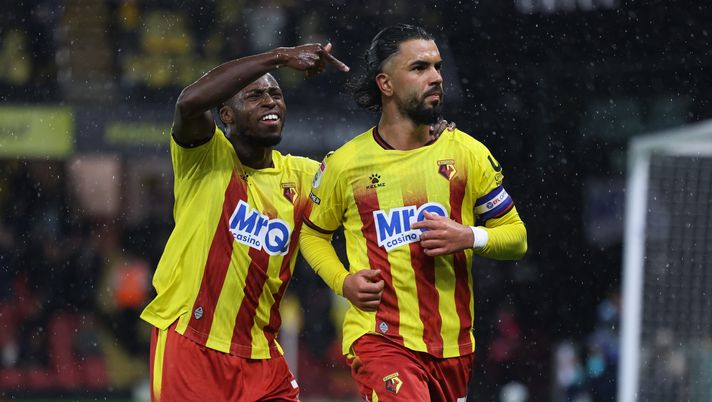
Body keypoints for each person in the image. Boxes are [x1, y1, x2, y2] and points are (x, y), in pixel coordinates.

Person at [300, 24, 528, 401]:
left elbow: (516, 237)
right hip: (381, 338)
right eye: (419, 68)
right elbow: (312, 233)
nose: (436, 77)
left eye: (437, 67)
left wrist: (469, 236)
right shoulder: (345, 164)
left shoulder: (466, 153)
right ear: (385, 84)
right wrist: (343, 282)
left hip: (453, 347)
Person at [139, 43, 350, 401]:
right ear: (227, 115)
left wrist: (424, 137)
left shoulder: (303, 177)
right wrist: (280, 57)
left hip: (262, 355)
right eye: (254, 95)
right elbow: (189, 103)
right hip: (192, 344)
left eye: (275, 94)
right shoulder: (205, 156)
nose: (270, 101)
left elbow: (370, 180)